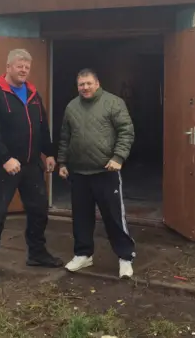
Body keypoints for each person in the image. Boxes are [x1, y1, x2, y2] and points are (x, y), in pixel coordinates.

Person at [0, 48, 63, 285]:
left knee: (39, 211)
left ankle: (37, 254)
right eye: (19, 65)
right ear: (8, 67)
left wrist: (49, 153)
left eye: (27, 66)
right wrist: (5, 158)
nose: (24, 69)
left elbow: (42, 126)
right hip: (4, 167)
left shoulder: (33, 94)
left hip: (31, 166)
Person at [58, 68, 136, 278]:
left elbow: (126, 132)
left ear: (97, 83)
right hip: (79, 173)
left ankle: (125, 257)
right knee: (81, 216)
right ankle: (83, 255)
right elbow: (65, 137)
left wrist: (118, 158)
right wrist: (62, 162)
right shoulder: (72, 107)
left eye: (88, 83)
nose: (85, 87)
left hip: (106, 171)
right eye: (81, 84)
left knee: (113, 217)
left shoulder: (113, 103)